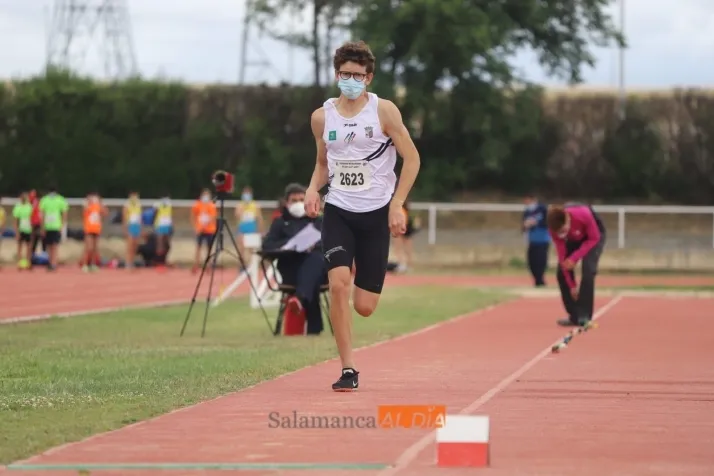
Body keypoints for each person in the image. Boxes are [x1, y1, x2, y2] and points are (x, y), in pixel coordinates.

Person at [304, 40, 421, 391]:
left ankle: (365, 290)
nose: (351, 80)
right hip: (339, 210)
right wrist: (312, 189)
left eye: (357, 75)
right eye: (345, 74)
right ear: (336, 75)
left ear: (368, 78)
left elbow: (412, 159)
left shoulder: (384, 112)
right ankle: (348, 369)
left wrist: (397, 204)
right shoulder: (322, 117)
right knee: (338, 285)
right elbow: (322, 164)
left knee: (365, 306)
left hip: (375, 214)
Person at [262, 183, 327, 335]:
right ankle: (312, 325)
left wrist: (312, 245)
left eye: (301, 199)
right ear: (286, 202)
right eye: (294, 200)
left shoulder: (318, 221)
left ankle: (299, 298)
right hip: (291, 269)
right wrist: (290, 245)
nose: (298, 203)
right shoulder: (280, 223)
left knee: (315, 260)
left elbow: (329, 243)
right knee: (311, 275)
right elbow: (267, 246)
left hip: (317, 267)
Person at [546, 203, 606, 327]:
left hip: (593, 235)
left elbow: (594, 238)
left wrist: (574, 258)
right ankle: (574, 315)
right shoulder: (554, 230)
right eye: (559, 232)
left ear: (567, 218)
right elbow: (562, 255)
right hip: (574, 237)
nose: (561, 234)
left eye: (563, 230)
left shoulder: (583, 214)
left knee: (588, 270)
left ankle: (584, 315)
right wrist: (572, 285)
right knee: (561, 272)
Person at [38, 185, 69, 271]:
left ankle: (53, 262)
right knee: (50, 246)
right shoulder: (46, 200)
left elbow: (64, 213)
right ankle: (51, 262)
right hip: (50, 226)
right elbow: (42, 214)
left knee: (53, 245)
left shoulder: (58, 200)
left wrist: (62, 225)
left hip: (54, 226)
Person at [522, 194, 550, 287]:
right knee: (531, 261)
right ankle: (536, 279)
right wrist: (525, 226)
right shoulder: (527, 212)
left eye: (527, 200)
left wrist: (536, 222)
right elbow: (523, 226)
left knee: (541, 260)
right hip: (532, 240)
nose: (526, 202)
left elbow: (548, 221)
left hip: (543, 239)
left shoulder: (543, 209)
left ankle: (540, 279)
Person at [235, 186, 264, 269]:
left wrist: (260, 230)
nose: (247, 195)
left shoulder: (255, 205)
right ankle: (242, 266)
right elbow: (237, 216)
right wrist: (243, 208)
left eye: (248, 193)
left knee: (252, 250)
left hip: (252, 230)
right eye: (245, 193)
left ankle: (252, 266)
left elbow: (259, 218)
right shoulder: (240, 205)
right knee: (241, 249)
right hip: (242, 230)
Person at [191, 189, 217, 273]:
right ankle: (196, 264)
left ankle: (208, 265)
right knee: (198, 247)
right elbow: (193, 215)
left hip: (209, 230)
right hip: (200, 230)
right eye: (204, 194)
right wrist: (195, 227)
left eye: (207, 195)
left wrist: (206, 223)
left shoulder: (211, 205)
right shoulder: (197, 204)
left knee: (209, 248)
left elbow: (213, 217)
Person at [81, 192, 108, 272]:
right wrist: (88, 201)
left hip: (96, 229)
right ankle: (85, 264)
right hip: (89, 229)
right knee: (89, 248)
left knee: (95, 249)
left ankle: (93, 264)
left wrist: (101, 203)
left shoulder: (98, 207)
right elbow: (84, 212)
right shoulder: (88, 206)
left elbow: (105, 213)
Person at [392, 201, 417, 273]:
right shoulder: (406, 209)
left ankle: (402, 265)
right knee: (408, 249)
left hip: (401, 229)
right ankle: (409, 265)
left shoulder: (399, 209)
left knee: (398, 248)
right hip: (407, 229)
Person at [13, 192, 34, 270]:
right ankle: (20, 263)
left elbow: (32, 219)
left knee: (29, 247)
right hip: (21, 229)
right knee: (20, 247)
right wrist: (16, 232)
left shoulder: (30, 207)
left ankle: (28, 262)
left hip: (28, 229)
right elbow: (16, 220)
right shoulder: (18, 207)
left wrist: (32, 230)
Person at [123, 191, 143, 270]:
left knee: (135, 246)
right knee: (130, 246)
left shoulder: (139, 205)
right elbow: (124, 217)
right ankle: (128, 263)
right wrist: (125, 229)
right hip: (130, 225)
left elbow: (140, 218)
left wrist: (141, 229)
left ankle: (132, 262)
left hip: (137, 226)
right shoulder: (127, 204)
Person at [153, 193, 173, 266]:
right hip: (160, 225)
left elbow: (170, 215)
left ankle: (164, 260)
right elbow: (155, 214)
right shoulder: (157, 204)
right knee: (160, 244)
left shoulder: (169, 204)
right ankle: (158, 261)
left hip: (167, 225)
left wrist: (171, 225)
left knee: (166, 244)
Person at [28, 190, 44, 256]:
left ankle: (35, 254)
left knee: (37, 239)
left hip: (37, 223)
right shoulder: (34, 203)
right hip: (36, 223)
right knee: (34, 240)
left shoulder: (37, 203)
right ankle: (32, 255)